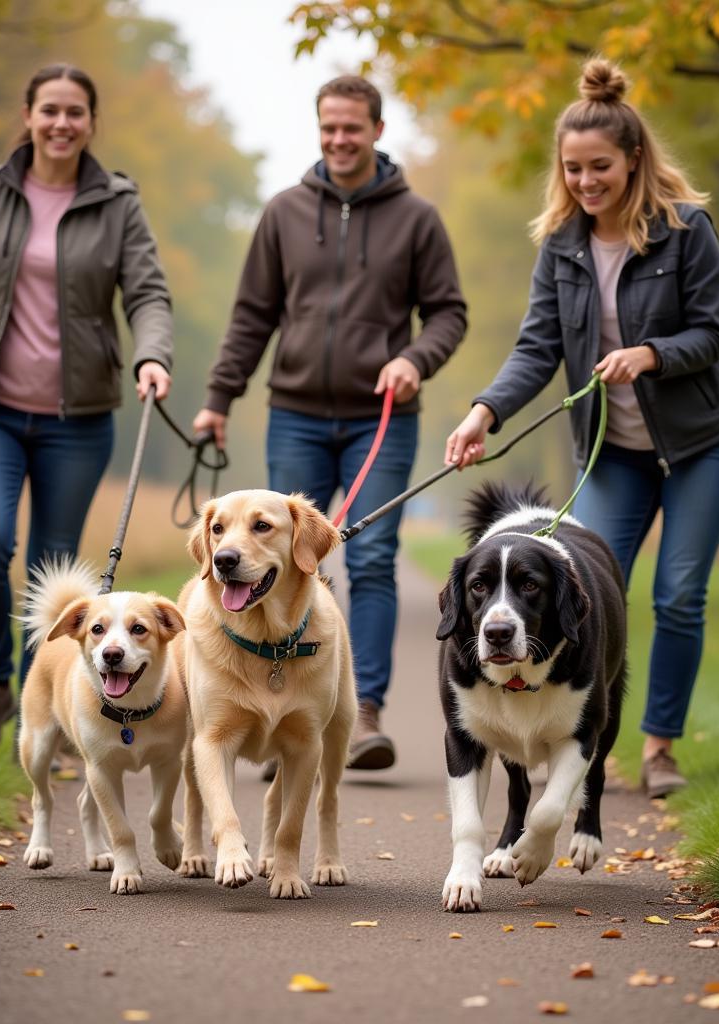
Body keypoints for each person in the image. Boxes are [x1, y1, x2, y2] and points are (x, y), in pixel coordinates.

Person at [445, 58, 719, 798]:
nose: (587, 182)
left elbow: (712, 334)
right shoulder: (561, 245)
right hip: (613, 454)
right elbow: (537, 346)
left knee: (678, 595)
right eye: (574, 169)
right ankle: (585, 735)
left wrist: (650, 353)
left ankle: (659, 748)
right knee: (587, 594)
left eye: (601, 167)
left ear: (634, 159)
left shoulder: (686, 231)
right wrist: (486, 410)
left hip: (704, 444)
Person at [192, 75, 467, 770]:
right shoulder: (284, 212)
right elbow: (253, 315)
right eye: (329, 127)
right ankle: (271, 705)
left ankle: (363, 709)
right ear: (319, 131)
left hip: (383, 417)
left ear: (377, 130)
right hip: (296, 416)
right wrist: (219, 397)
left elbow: (448, 313)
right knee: (280, 560)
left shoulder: (417, 219)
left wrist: (414, 359)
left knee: (371, 558)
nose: (340, 139)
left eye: (353, 127)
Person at [0, 64, 174, 749]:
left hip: (79, 418)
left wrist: (153, 354)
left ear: (92, 122)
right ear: (28, 115)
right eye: (50, 110)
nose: (62, 123)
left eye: (76, 112)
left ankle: (49, 718)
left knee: (54, 569)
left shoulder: (118, 201)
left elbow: (147, 292)